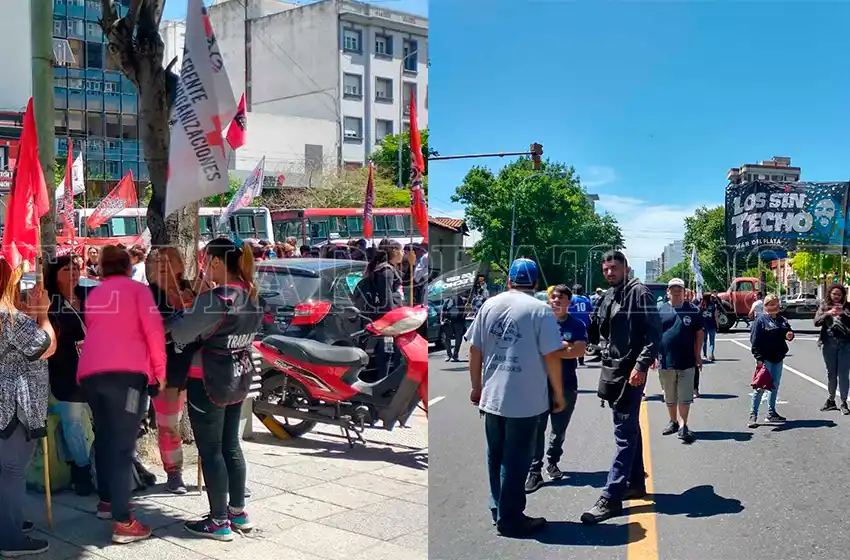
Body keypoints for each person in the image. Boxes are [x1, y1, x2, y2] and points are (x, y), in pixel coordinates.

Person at [169, 238, 263, 541]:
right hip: (238, 377)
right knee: (231, 446)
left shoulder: (215, 299)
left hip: (208, 379)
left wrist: (182, 312)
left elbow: (183, 331)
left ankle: (218, 521)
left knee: (210, 451)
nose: (203, 266)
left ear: (218, 262)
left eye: (206, 260)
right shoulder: (250, 293)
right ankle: (238, 511)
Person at [465, 258, 566, 538]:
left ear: (509, 280)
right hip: (526, 399)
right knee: (517, 458)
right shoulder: (540, 310)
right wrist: (558, 393)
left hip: (492, 396)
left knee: (495, 455)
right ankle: (511, 519)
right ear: (535, 283)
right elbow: (551, 355)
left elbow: (475, 351)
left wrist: (476, 386)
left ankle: (498, 508)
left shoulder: (489, 305)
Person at [77, 245, 167, 544]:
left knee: (104, 438)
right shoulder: (139, 292)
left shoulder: (95, 295)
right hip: (126, 376)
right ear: (129, 266)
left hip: (91, 374)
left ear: (102, 268)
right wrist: (159, 373)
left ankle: (107, 501)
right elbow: (153, 332)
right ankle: (123, 521)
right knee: (122, 444)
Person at [582, 250, 661, 525]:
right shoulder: (609, 295)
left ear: (626, 267)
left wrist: (641, 366)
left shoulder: (638, 292)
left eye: (614, 268)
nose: (609, 273)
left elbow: (654, 333)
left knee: (623, 433)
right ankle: (636, 482)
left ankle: (611, 497)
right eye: (605, 269)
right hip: (613, 371)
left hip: (630, 371)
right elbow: (596, 329)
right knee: (628, 428)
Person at [0, 262, 57, 557]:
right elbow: (46, 345)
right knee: (11, 471)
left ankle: (8, 523)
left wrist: (32, 312)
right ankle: (10, 538)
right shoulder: (7, 317)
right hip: (13, 405)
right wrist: (43, 313)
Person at [147, 247, 199, 494]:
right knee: (168, 424)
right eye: (158, 263)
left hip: (197, 366)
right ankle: (173, 472)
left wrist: (193, 306)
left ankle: (212, 471)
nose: (164, 267)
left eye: (169, 262)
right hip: (166, 369)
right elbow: (148, 330)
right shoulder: (148, 295)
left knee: (205, 422)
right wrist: (176, 320)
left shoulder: (194, 289)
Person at [525, 284, 586, 493]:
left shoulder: (576, 324)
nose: (556, 301)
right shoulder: (539, 323)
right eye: (553, 298)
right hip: (540, 385)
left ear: (569, 302)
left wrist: (550, 350)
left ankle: (553, 460)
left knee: (558, 430)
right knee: (536, 429)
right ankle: (535, 471)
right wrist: (560, 346)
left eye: (561, 298)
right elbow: (531, 350)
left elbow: (578, 350)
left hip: (567, 384)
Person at [45, 254, 95, 496]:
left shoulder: (91, 295)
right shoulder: (48, 302)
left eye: (76, 268)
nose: (74, 272)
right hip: (66, 372)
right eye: (67, 269)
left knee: (104, 422)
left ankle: (103, 466)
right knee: (72, 424)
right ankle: (82, 470)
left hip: (97, 370)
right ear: (55, 274)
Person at [656, 278, 703, 443]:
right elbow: (654, 335)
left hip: (687, 361)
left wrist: (698, 355)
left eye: (679, 289)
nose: (676, 291)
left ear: (684, 292)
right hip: (665, 361)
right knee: (669, 395)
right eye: (673, 289)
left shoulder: (693, 310)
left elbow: (699, 333)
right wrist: (653, 356)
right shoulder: (660, 310)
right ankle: (673, 421)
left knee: (684, 395)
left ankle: (683, 425)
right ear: (667, 292)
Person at [748, 293, 793, 428]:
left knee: (774, 385)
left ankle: (771, 412)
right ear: (766, 306)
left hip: (778, 357)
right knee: (761, 386)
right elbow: (754, 340)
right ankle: (753, 414)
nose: (775, 307)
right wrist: (759, 358)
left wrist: (789, 335)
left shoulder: (782, 319)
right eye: (771, 304)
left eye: (776, 304)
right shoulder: (761, 320)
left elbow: (787, 332)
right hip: (765, 358)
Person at [814, 284, 850, 414]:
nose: (836, 297)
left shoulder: (848, 307)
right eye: (834, 294)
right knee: (831, 374)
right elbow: (816, 322)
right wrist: (827, 314)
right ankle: (831, 400)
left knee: (844, 374)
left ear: (843, 296)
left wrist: (844, 315)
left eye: (839, 295)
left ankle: (844, 402)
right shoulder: (824, 306)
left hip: (845, 344)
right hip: (829, 343)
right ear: (829, 294)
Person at [569, 284, 593, 366]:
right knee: (582, 342)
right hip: (584, 323)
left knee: (571, 341)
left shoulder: (570, 299)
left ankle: (572, 358)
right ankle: (581, 360)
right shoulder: (585, 299)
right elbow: (590, 311)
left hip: (572, 323)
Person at [440, 292, 467, 362]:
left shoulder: (464, 300)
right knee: (446, 338)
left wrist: (466, 309)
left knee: (458, 338)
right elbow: (442, 311)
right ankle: (449, 354)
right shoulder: (447, 301)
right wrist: (441, 321)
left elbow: (468, 310)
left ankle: (455, 355)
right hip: (449, 321)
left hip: (459, 321)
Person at [700, 292, 719, 363]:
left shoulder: (701, 305)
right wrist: (717, 325)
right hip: (712, 324)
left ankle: (704, 355)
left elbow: (699, 316)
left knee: (704, 340)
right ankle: (711, 354)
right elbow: (716, 316)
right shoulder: (713, 305)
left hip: (703, 325)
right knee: (712, 340)